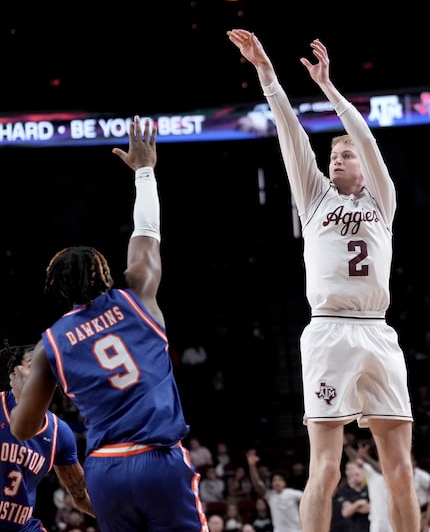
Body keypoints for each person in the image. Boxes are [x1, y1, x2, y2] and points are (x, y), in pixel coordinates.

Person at [227, 29, 421, 532]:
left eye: (346, 154)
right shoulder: (314, 199)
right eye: (333, 156)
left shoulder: (382, 198)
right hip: (329, 331)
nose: (338, 158)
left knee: (400, 469)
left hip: (377, 330)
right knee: (327, 467)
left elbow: (366, 137)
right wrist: (266, 72)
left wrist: (330, 89)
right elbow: (290, 131)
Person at [9, 117, 209, 532]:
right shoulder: (137, 295)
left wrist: (26, 390)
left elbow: (24, 427)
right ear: (103, 275)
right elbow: (147, 233)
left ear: (56, 290)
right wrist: (145, 172)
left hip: (104, 471)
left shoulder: (51, 343)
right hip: (159, 459)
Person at [0, 342, 94, 531]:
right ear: (15, 373)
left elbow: (80, 495)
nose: (41, 371)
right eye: (33, 364)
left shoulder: (60, 432)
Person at [246, 448, 303, 532]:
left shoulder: (293, 493)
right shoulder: (270, 495)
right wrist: (252, 466)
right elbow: (257, 484)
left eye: (280, 480)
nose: (277, 482)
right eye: (274, 480)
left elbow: (308, 501)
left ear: (285, 483)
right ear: (271, 484)